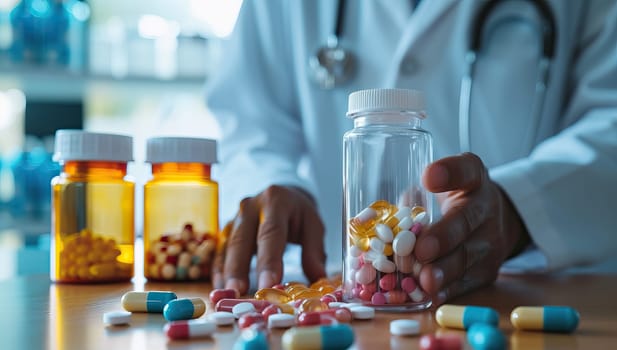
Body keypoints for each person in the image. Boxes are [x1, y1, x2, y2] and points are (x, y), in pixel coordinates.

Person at [205, 0, 617, 303]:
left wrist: (521, 206)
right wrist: (273, 184)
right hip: (339, 284)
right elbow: (249, 120)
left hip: (535, 291)